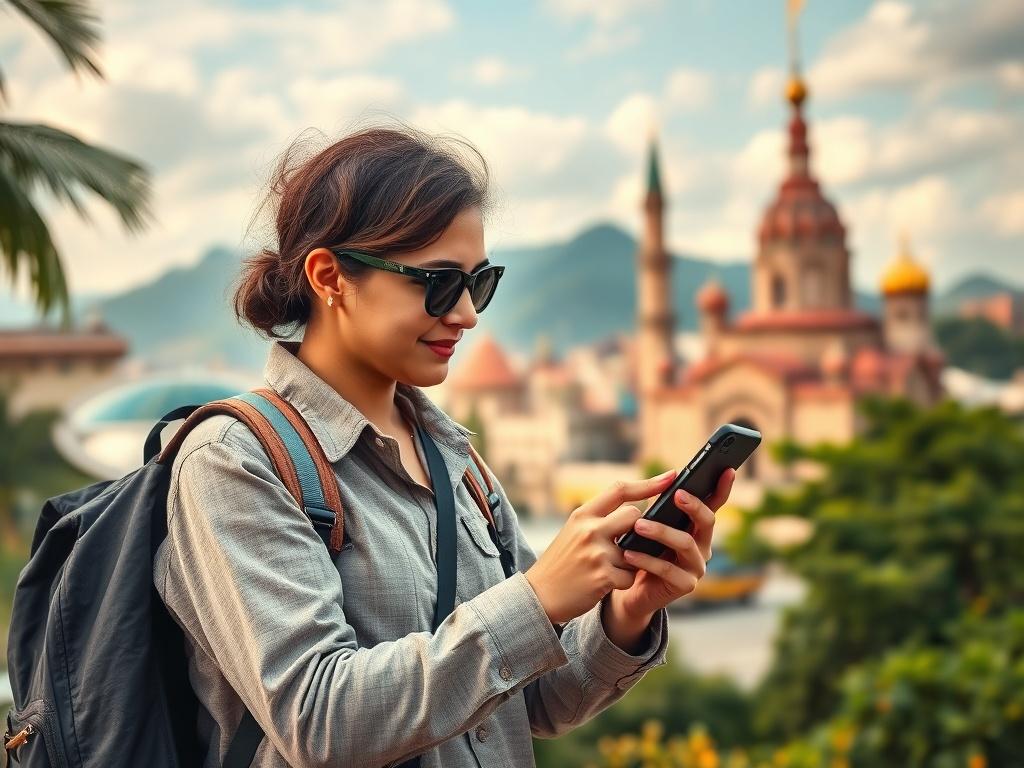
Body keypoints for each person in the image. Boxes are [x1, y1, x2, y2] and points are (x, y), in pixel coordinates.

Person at [154, 122, 735, 768]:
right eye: (437, 283)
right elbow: (318, 720)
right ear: (329, 277)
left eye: (478, 283)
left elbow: (534, 701)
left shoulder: (459, 463)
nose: (466, 314)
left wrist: (626, 613)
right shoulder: (237, 459)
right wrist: (537, 598)